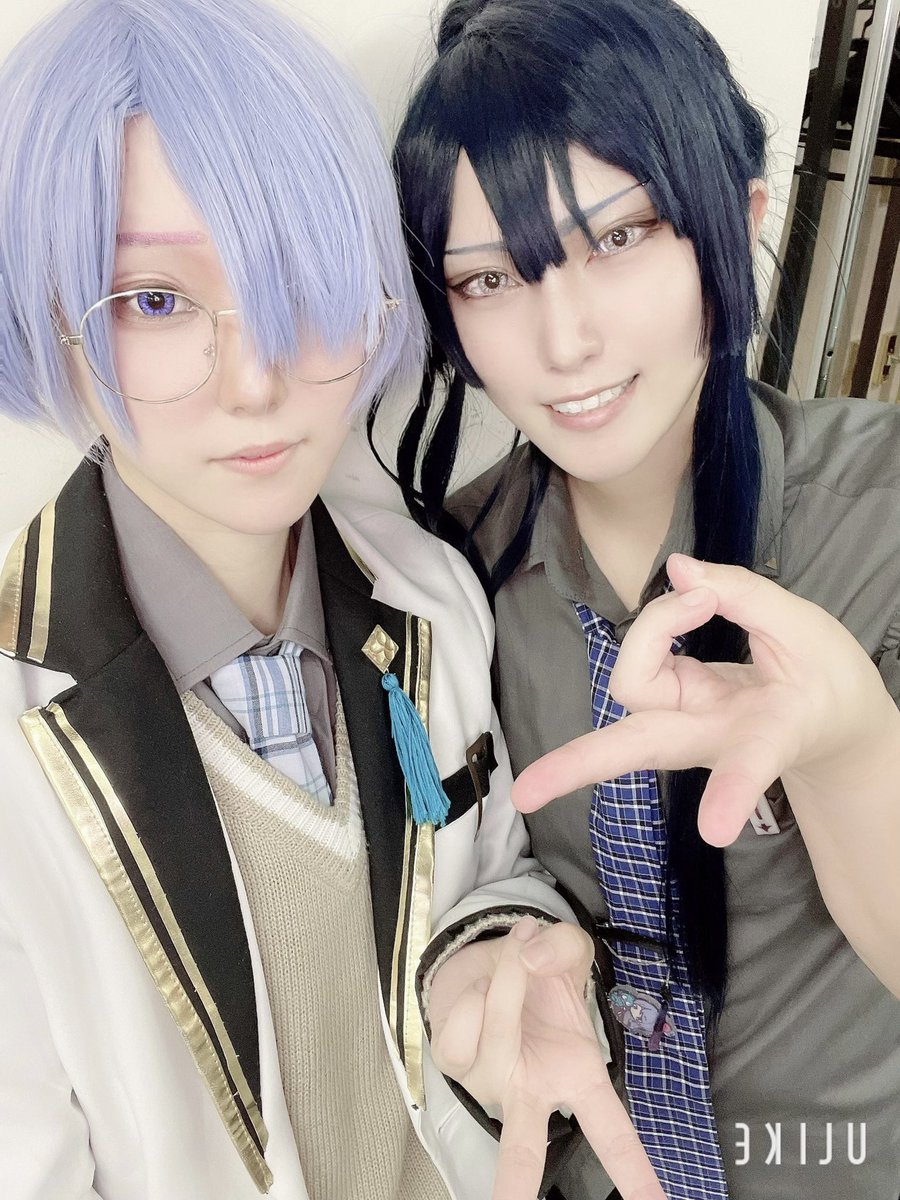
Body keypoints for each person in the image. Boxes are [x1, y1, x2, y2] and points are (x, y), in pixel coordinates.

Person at [0, 2, 668, 1199]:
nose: (258, 378)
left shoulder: (429, 590)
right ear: (53, 312)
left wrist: (498, 959)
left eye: (300, 280)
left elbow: (486, 867)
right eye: (153, 300)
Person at [387, 1, 900, 1198]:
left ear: (742, 220)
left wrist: (851, 749)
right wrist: (484, 956)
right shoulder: (445, 581)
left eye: (619, 238)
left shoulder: (880, 513)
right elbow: (442, 869)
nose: (564, 339)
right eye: (490, 277)